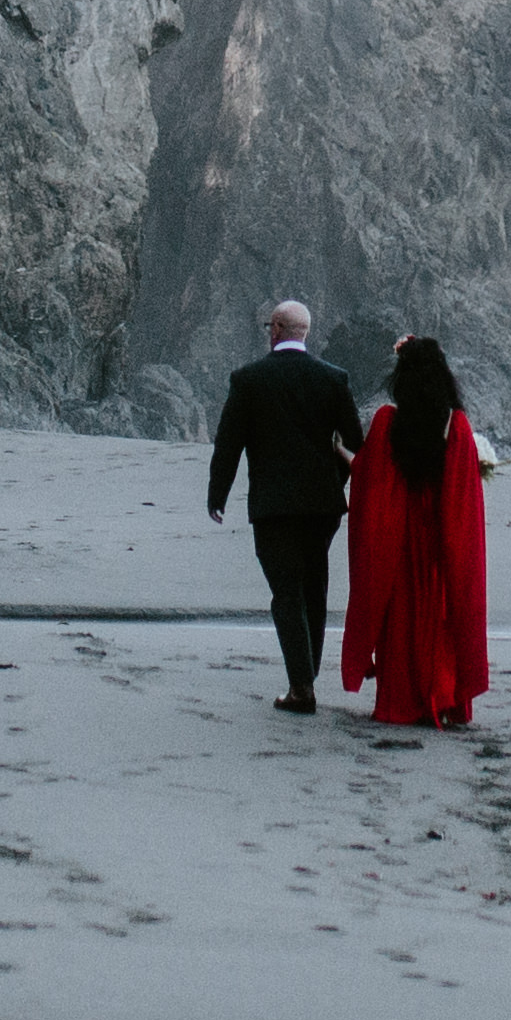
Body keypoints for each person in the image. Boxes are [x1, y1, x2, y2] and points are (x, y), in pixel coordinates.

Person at [205, 303, 361, 714]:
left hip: (274, 505)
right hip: (323, 505)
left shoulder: (249, 380)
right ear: (305, 333)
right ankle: (306, 675)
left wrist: (217, 495)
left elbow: (229, 445)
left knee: (286, 593)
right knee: (314, 588)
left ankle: (301, 687)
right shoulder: (333, 378)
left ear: (275, 330)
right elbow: (356, 441)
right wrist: (338, 481)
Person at [340, 335, 490, 728]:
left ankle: (401, 700)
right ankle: (439, 696)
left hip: (399, 539)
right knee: (439, 618)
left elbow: (370, 480)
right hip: (439, 540)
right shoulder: (455, 426)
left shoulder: (388, 421)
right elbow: (461, 497)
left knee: (399, 619)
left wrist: (343, 455)